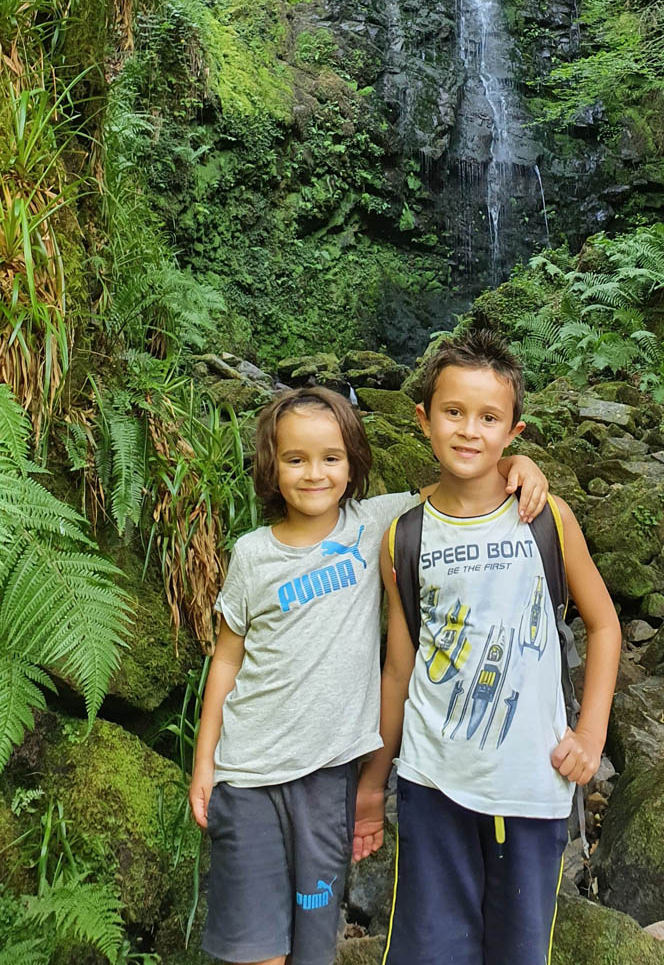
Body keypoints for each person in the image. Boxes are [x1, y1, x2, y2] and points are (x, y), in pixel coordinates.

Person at [188, 384, 550, 965]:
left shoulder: (377, 524)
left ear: (353, 464)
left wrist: (518, 462)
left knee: (313, 948)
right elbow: (226, 658)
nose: (313, 474)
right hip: (248, 776)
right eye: (295, 459)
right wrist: (205, 762)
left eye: (330, 458)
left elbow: (464, 478)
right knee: (255, 951)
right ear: (270, 466)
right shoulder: (253, 554)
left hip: (331, 781)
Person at [352, 331, 622, 965]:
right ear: (422, 420)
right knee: (429, 948)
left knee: (520, 950)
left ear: (514, 432)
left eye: (489, 418)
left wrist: (591, 734)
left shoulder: (547, 517)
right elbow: (399, 667)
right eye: (453, 412)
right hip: (432, 781)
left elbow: (605, 626)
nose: (469, 430)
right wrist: (373, 782)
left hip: (534, 782)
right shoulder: (405, 536)